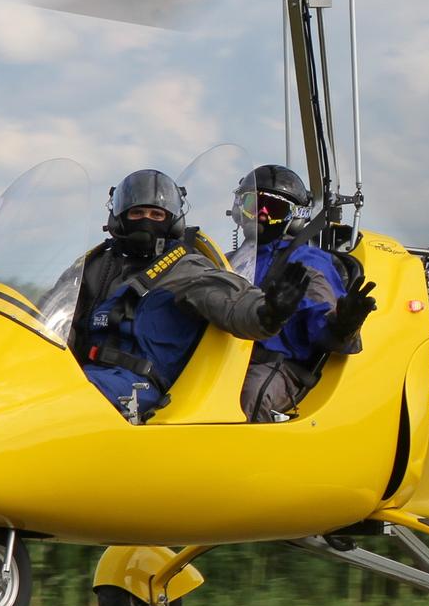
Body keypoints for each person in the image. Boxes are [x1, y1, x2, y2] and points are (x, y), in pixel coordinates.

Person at [73, 168, 310, 422]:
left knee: (68, 404)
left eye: (156, 214)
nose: (146, 220)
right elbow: (49, 316)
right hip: (84, 377)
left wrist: (267, 313)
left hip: (137, 391)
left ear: (173, 222)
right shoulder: (97, 266)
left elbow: (231, 300)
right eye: (137, 213)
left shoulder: (188, 268)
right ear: (120, 218)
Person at [230, 165, 377, 420]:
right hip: (223, 359)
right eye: (253, 204)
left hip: (274, 366)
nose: (261, 215)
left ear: (295, 217)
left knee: (248, 396)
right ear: (237, 209)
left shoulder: (306, 262)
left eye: (273, 209)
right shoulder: (227, 260)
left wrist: (343, 326)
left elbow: (323, 326)